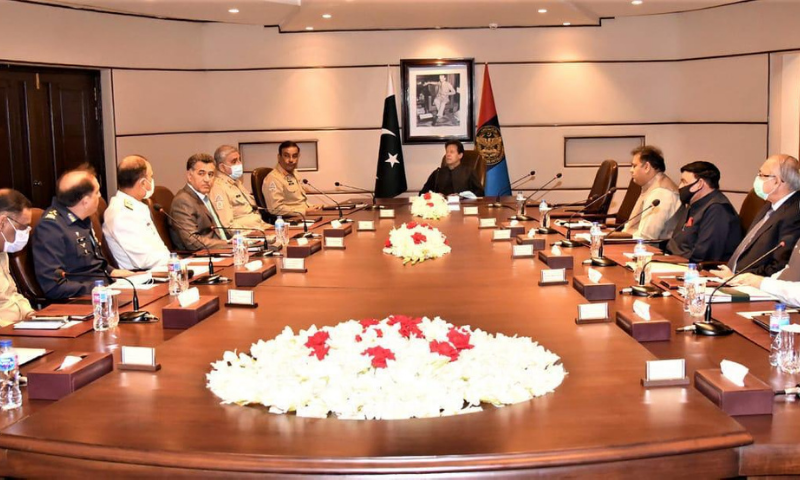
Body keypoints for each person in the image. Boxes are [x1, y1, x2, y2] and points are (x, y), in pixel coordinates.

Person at [33, 167, 133, 300]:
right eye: (97, 192)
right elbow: (54, 287)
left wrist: (114, 273)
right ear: (85, 201)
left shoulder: (82, 218)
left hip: (103, 290)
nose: (99, 196)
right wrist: (100, 287)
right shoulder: (51, 228)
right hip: (82, 300)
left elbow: (92, 262)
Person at [713, 154, 800, 278]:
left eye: (762, 175)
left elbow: (779, 266)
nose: (757, 179)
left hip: (755, 287)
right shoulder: (768, 206)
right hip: (732, 279)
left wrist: (739, 277)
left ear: (777, 181)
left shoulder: (794, 214)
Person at [103, 155, 171, 270]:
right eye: (151, 177)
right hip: (144, 278)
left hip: (161, 270)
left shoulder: (135, 206)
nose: (152, 181)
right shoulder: (121, 214)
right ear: (143, 183)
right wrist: (174, 261)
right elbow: (144, 261)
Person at [665, 161, 742, 263]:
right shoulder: (694, 203)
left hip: (694, 270)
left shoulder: (717, 209)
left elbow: (704, 256)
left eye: (684, 182)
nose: (680, 187)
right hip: (674, 261)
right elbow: (677, 242)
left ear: (700, 184)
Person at [170, 154, 230, 252]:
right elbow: (192, 242)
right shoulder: (183, 201)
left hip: (220, 250)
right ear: (189, 176)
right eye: (201, 173)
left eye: (210, 174)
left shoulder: (203, 196)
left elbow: (219, 231)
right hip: (200, 256)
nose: (207, 179)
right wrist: (227, 244)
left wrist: (238, 239)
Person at [619, 145, 680, 239]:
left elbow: (647, 237)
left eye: (634, 166)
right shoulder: (650, 186)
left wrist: (618, 239)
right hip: (638, 245)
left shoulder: (661, 193)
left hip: (653, 250)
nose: (631, 170)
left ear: (647, 167)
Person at [209, 145, 272, 231]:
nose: (239, 164)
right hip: (249, 234)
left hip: (260, 225)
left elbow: (251, 207)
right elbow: (228, 227)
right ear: (222, 167)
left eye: (239, 160)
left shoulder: (236, 182)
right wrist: (255, 234)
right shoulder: (218, 188)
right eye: (234, 161)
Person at [0, 189, 34, 325]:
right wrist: (13, 330)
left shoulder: (3, 251)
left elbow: (11, 295)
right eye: (22, 227)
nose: (25, 233)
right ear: (2, 222)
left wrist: (32, 315)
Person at [263, 141, 320, 217]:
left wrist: (313, 207)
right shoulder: (273, 178)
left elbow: (299, 202)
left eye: (295, 156)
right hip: (290, 221)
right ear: (279, 157)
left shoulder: (294, 173)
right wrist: (304, 211)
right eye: (286, 156)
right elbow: (275, 208)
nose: (291, 160)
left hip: (303, 217)